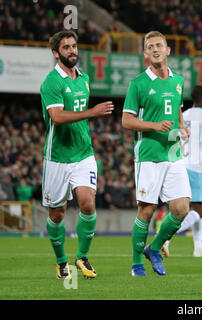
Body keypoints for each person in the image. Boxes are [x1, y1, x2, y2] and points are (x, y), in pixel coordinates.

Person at [40, 30, 114, 279]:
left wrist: (89, 117)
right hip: (57, 157)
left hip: (83, 154)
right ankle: (61, 262)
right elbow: (58, 117)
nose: (72, 50)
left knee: (88, 203)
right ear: (55, 53)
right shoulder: (52, 82)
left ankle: (82, 257)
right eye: (66, 47)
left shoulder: (84, 78)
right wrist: (93, 112)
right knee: (57, 213)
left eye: (74, 46)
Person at [122, 31, 191, 277]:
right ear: (145, 53)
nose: (155, 49)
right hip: (148, 155)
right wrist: (153, 126)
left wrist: (182, 126)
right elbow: (126, 121)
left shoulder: (178, 80)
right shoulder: (138, 83)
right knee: (147, 211)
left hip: (173, 152)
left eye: (159, 45)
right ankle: (136, 264)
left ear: (168, 50)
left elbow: (178, 108)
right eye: (150, 46)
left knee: (182, 208)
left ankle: (154, 248)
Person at [162, 85, 202, 258]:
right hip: (195, 168)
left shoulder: (185, 114)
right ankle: (164, 237)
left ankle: (198, 247)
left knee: (197, 209)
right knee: (198, 210)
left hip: (181, 164)